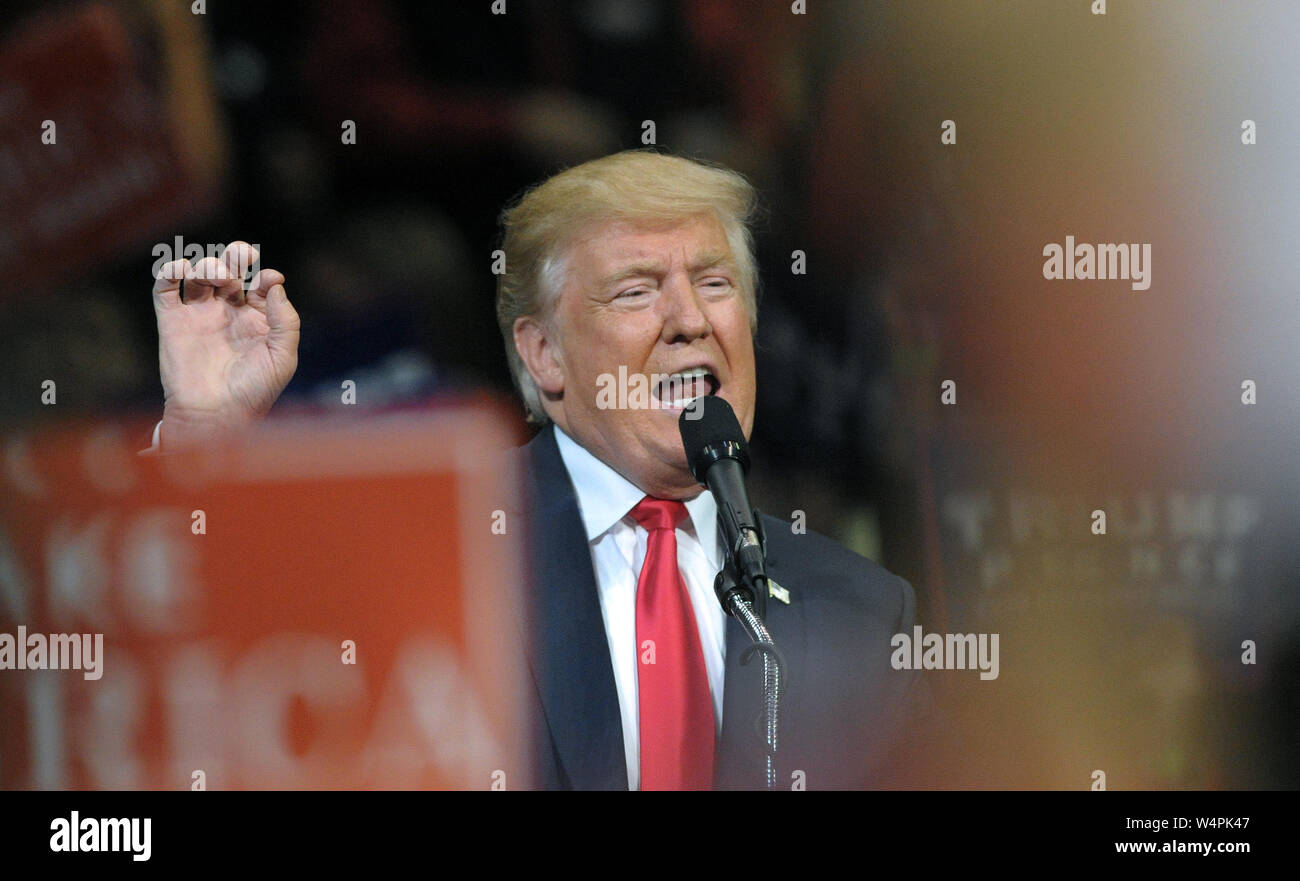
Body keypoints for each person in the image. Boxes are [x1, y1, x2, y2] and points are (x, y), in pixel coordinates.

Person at [146, 150, 929, 790]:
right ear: (544, 355)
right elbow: (192, 700)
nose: (690, 319)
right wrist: (202, 437)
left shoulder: (860, 613)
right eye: (636, 290)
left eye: (715, 283)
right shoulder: (428, 553)